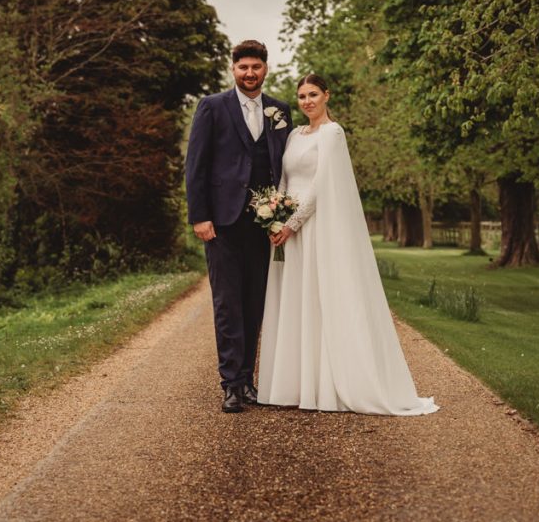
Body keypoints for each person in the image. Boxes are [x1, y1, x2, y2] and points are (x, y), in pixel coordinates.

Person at [259, 74, 438, 416]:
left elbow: (322, 183)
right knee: (294, 299)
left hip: (314, 227)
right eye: (301, 96)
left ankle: (327, 384)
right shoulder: (295, 134)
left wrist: (293, 224)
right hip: (286, 229)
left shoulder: (333, 133)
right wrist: (275, 215)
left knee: (318, 297)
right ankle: (294, 384)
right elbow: (282, 176)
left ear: (327, 95)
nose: (307, 101)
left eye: (313, 94)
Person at [185, 40, 293, 413]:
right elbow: (196, 165)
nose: (250, 73)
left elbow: (285, 165)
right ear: (233, 70)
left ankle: (247, 379)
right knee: (228, 305)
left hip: (263, 225)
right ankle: (230, 384)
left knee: (254, 304)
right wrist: (199, 215)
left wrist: (283, 214)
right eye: (243, 67)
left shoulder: (280, 110)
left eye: (256, 67)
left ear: (266, 69)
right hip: (222, 224)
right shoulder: (212, 107)